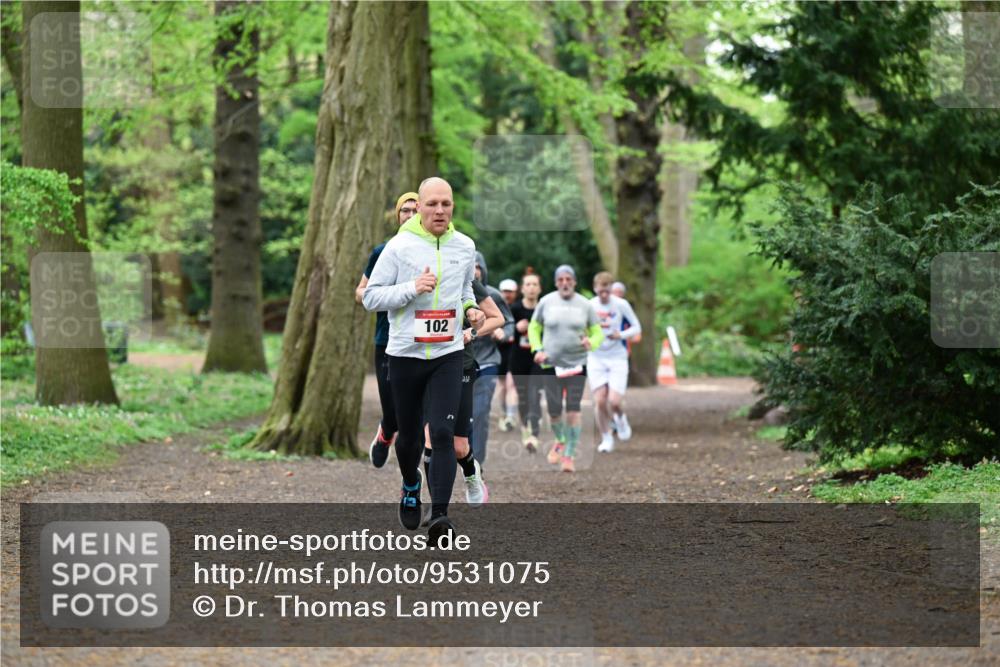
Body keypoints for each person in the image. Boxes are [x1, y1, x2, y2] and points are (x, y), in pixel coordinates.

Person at [363, 177, 481, 545]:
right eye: (432, 204)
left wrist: (470, 308)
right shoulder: (399, 248)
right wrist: (413, 288)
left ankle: (441, 516)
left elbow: (464, 289)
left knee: (443, 434)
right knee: (410, 438)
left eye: (446, 204)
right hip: (405, 356)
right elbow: (370, 297)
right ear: (421, 205)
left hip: (447, 354)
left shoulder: (465, 246)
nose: (440, 211)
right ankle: (411, 483)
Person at [421, 277, 505, 513]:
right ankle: (436, 505)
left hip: (461, 364)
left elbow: (498, 318)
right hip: (425, 363)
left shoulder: (465, 279)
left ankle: (470, 472)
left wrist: (472, 333)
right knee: (432, 436)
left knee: (458, 446)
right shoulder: (420, 274)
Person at [356, 192, 419, 468]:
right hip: (387, 339)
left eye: (416, 211)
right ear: (398, 216)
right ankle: (385, 433)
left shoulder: (435, 252)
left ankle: (413, 465)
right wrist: (388, 294)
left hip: (422, 340)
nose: (410, 216)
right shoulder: (383, 252)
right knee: (392, 411)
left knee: (417, 411)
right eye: (405, 211)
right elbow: (361, 292)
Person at [528, 264, 603, 473]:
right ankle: (560, 439)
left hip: (577, 363)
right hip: (550, 363)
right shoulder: (546, 302)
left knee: (573, 410)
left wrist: (592, 342)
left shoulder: (585, 305)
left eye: (569, 279)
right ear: (555, 282)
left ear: (575, 282)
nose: (565, 283)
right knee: (553, 411)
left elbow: (597, 332)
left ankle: (569, 454)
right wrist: (537, 349)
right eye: (561, 279)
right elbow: (534, 327)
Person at [470, 253, 515, 470]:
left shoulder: (494, 296)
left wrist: (503, 333)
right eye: (471, 266)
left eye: (479, 266)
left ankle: (477, 463)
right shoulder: (454, 293)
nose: (476, 270)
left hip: (487, 362)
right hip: (460, 362)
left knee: (480, 412)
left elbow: (509, 322)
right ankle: (462, 454)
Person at [589, 272, 642, 452]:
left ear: (612, 289)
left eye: (607, 290)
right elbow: (581, 327)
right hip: (596, 357)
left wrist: (621, 335)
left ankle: (620, 418)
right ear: (595, 288)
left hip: (617, 357)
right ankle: (606, 438)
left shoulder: (621, 304)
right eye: (600, 291)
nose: (604, 294)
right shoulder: (589, 306)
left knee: (614, 401)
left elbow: (636, 327)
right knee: (599, 401)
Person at [509, 269, 543, 452]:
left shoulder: (543, 308)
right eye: (528, 284)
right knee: (523, 395)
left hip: (537, 358)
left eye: (534, 284)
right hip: (518, 359)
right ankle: (525, 427)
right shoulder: (515, 308)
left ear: (539, 289)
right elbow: (505, 330)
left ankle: (534, 434)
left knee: (535, 393)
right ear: (522, 289)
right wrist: (516, 327)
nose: (531, 288)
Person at [495, 278, 519, 433]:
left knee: (512, 384)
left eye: (510, 292)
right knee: (503, 385)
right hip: (500, 351)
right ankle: (505, 412)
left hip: (515, 351)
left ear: (515, 293)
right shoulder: (495, 308)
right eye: (504, 291)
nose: (507, 295)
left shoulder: (518, 308)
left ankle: (510, 416)